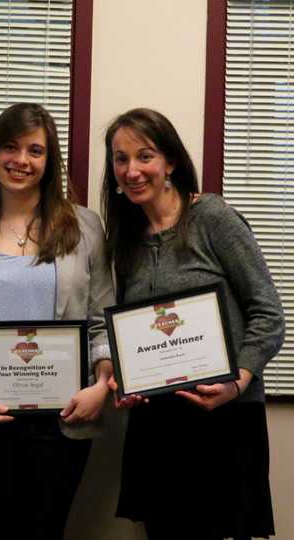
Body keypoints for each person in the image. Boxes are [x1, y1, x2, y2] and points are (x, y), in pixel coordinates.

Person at [0, 103, 115, 540]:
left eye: (35, 150)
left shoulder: (84, 227)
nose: (21, 161)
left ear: (49, 163)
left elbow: (101, 320)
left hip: (64, 418)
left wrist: (100, 387)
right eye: (10, 147)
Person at [101, 107, 285, 540]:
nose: (131, 170)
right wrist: (126, 382)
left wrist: (237, 382)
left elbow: (268, 312)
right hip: (157, 430)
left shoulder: (213, 218)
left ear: (171, 162)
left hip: (224, 419)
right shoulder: (126, 241)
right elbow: (135, 333)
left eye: (144, 156)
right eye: (120, 159)